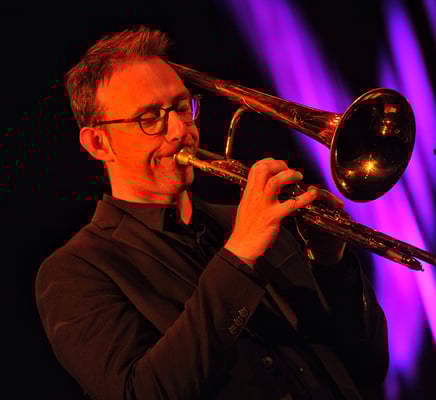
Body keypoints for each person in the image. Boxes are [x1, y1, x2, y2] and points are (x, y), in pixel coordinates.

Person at [35, 26, 389, 400]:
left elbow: (368, 365)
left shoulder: (255, 221)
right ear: (98, 143)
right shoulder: (75, 271)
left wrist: (331, 264)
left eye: (181, 107)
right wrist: (238, 257)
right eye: (150, 118)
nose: (180, 130)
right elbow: (141, 393)